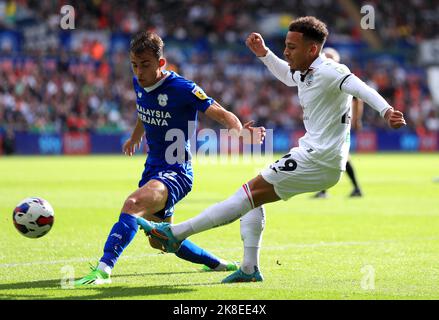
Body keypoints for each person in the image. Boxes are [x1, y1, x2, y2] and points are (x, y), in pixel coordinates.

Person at [137, 16, 406, 283]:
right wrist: (265, 54)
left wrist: (387, 111)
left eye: (291, 47)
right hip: (319, 157)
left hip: (318, 158)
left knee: (246, 194)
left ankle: (176, 233)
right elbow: (286, 75)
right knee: (254, 197)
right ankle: (249, 268)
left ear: (312, 49)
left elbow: (361, 88)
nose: (286, 52)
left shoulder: (330, 71)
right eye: (285, 46)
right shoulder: (305, 71)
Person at [74, 31, 265, 286]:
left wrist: (240, 131)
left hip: (176, 171)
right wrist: (134, 138)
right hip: (153, 169)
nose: (139, 72)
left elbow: (220, 113)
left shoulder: (182, 88)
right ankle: (218, 264)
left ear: (161, 63)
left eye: (145, 65)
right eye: (134, 65)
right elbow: (144, 110)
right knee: (162, 240)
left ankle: (103, 270)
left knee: (132, 203)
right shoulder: (139, 83)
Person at [313, 47, 363, 198]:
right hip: (326, 127)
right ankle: (353, 189)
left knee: (340, 156)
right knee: (328, 155)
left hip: (340, 127)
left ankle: (328, 191)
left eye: (330, 59)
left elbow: (357, 98)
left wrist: (356, 119)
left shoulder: (343, 77)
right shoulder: (321, 77)